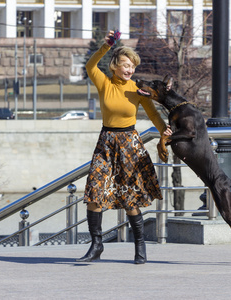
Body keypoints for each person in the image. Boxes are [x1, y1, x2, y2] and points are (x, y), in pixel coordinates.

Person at [77, 30, 172, 264]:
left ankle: (140, 247)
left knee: (130, 200)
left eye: (133, 66)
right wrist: (106, 46)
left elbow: (153, 113)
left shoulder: (137, 90)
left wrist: (164, 131)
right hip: (106, 143)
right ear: (115, 66)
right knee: (94, 194)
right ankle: (96, 245)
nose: (130, 70)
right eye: (126, 65)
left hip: (130, 145)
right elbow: (90, 66)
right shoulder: (104, 83)